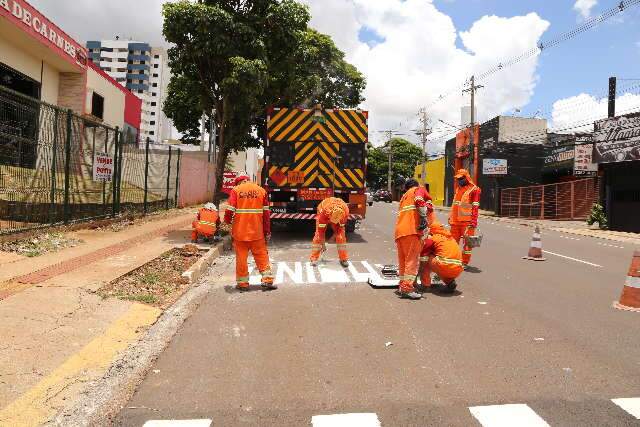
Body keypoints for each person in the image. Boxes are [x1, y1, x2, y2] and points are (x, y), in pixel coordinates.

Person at [224, 173, 276, 292]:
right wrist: (267, 231)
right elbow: (266, 215)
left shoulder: (236, 190)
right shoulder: (261, 191)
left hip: (240, 233)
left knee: (241, 258)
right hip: (257, 233)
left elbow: (229, 211)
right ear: (248, 180)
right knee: (262, 256)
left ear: (238, 182)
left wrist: (227, 222)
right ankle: (267, 280)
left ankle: (243, 284)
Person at [394, 179, 434, 300]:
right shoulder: (418, 190)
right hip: (412, 231)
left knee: (404, 261)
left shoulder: (404, 197)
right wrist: (423, 217)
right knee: (412, 260)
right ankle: (407, 288)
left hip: (400, 233)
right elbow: (419, 200)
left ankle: (402, 285)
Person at [417, 223, 464, 294]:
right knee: (444, 264)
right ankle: (450, 283)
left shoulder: (433, 238)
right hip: (458, 269)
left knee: (425, 258)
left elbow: (424, 255)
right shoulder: (451, 239)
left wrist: (419, 271)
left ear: (431, 230)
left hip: (444, 266)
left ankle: (425, 285)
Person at [449, 169, 481, 268]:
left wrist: (474, 221)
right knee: (452, 243)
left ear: (466, 178)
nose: (459, 181)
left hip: (467, 222)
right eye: (458, 179)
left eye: (461, 179)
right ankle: (452, 260)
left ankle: (464, 262)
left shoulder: (474, 190)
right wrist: (450, 218)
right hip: (455, 222)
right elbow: (454, 205)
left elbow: (475, 207)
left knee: (468, 244)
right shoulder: (458, 189)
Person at [310, 197, 350, 267]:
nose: (332, 223)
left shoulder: (345, 213)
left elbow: (340, 229)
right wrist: (323, 244)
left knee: (341, 237)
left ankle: (343, 259)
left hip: (336, 215)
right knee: (318, 237)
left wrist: (333, 237)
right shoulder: (324, 213)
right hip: (323, 213)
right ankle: (314, 258)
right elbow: (320, 232)